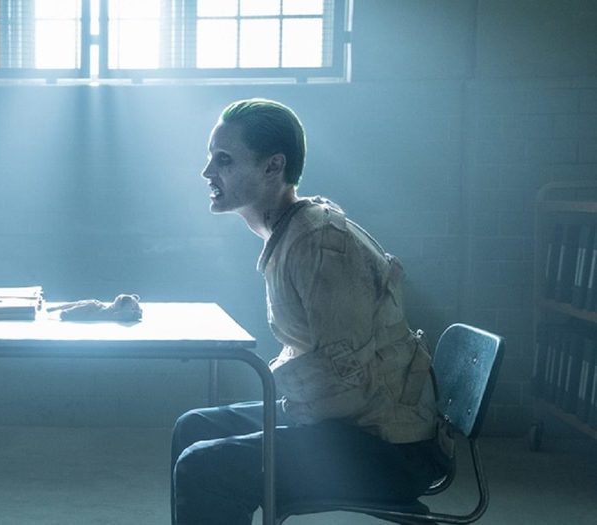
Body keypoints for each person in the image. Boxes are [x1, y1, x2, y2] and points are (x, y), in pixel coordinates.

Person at [170, 99, 452, 524]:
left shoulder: (320, 244)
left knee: (206, 465)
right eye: (211, 158)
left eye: (223, 160)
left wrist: (278, 396)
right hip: (353, 422)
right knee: (194, 427)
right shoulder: (289, 234)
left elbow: (346, 380)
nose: (207, 172)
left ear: (273, 167)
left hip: (392, 449)